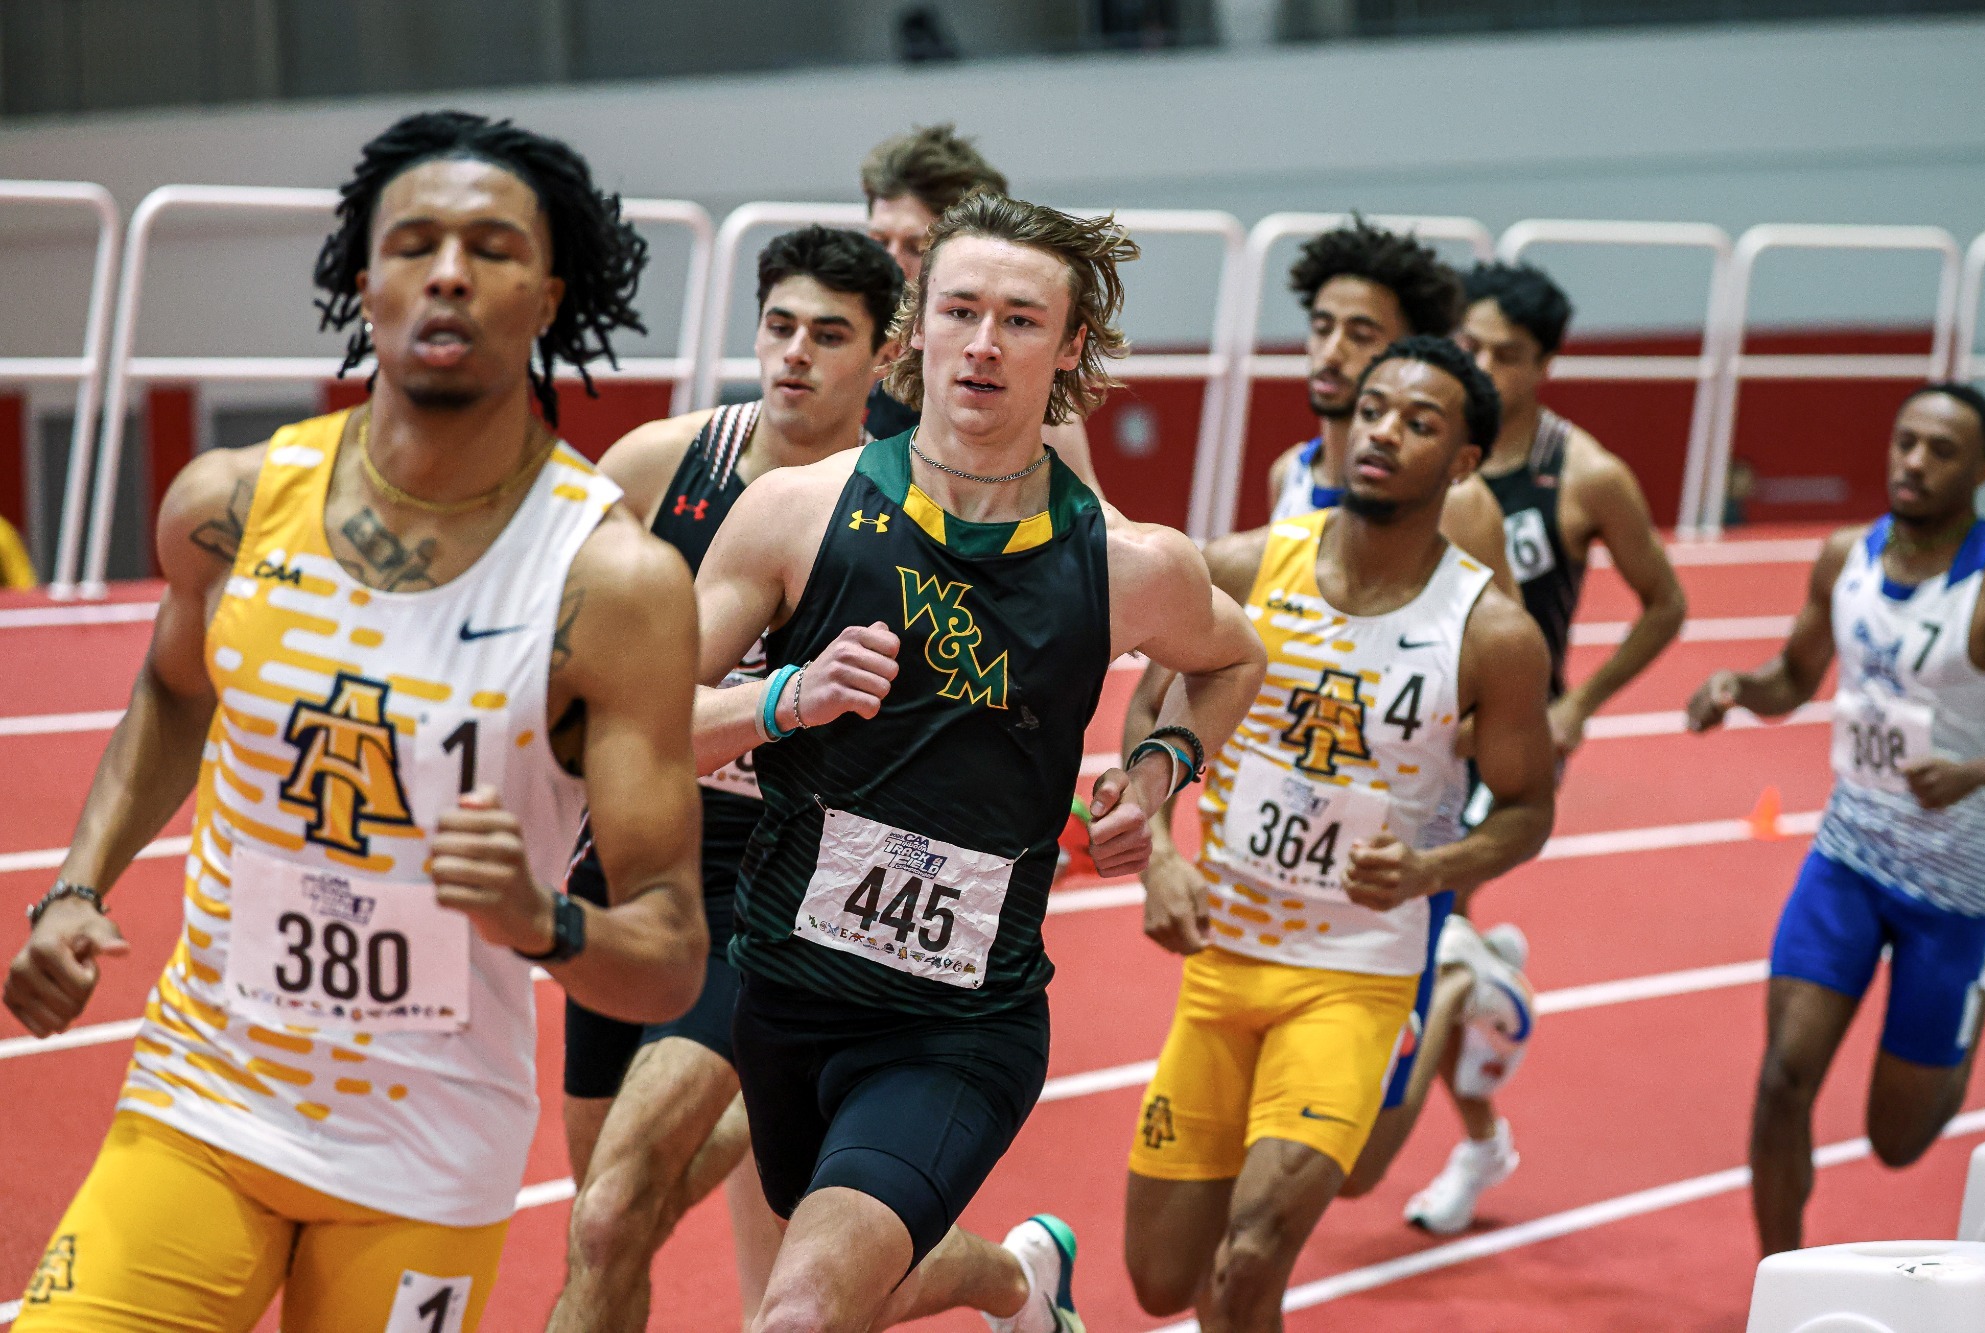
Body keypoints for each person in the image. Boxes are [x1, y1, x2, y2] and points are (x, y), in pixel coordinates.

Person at [3, 111, 710, 1331]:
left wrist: (540, 920)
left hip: (426, 1153)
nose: (448, 271)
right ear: (363, 279)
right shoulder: (229, 506)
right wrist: (76, 886)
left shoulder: (611, 586)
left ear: (546, 297)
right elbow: (178, 686)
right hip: (203, 1094)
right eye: (415, 243)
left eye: (490, 247)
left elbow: (671, 952)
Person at [687, 192, 1266, 1333]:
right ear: (914, 330)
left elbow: (1232, 659)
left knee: (797, 1309)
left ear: (1070, 349)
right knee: (859, 1282)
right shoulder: (794, 514)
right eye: (959, 310)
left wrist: (1151, 776)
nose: (985, 344)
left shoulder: (1128, 563)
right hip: (786, 994)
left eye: (1019, 318)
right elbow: (642, 716)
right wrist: (783, 698)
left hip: (961, 1022)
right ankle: (1014, 1281)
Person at [1121, 335, 1556, 1329]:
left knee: (1247, 1261)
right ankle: (1464, 981)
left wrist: (1430, 869)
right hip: (1221, 963)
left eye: (1418, 422)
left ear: (1460, 463)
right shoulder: (1238, 567)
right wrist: (1157, 855)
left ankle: (1440, 975)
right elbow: (1148, 712)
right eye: (1371, 411)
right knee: (1159, 1281)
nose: (1381, 433)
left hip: (1353, 976)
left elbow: (1530, 807)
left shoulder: (1488, 633)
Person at [548, 225, 903, 1332]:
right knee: (604, 1217)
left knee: (610, 1215)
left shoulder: (900, 502)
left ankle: (769, 1066)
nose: (795, 353)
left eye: (829, 335)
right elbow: (548, 650)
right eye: (779, 326)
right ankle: (1005, 1272)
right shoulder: (662, 464)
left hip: (772, 878)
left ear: (882, 360)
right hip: (631, 852)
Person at [1386, 261, 1688, 1235]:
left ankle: (1472, 1105)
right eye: (1467, 346)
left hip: (1502, 740)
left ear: (1543, 365)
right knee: (1411, 935)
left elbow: (1666, 603)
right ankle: (1483, 982)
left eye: (1503, 357)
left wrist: (1578, 703)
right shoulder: (1427, 449)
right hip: (1412, 722)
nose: (1479, 366)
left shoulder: (1585, 474)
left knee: (1414, 927)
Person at [1688, 383, 1985, 1256]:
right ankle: (1778, 1283)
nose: (1915, 462)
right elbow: (1795, 674)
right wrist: (1739, 689)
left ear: (1981, 469)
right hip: (1850, 860)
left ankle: (1978, 990)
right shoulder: (1842, 557)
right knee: (1782, 1079)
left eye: (1941, 450)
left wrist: (1976, 772)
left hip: (1963, 892)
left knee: (1897, 1143)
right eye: (1906, 442)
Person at [1264, 218, 1518, 602]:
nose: (1332, 353)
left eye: (1361, 336)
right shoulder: (1288, 474)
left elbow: (1509, 648)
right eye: (1321, 327)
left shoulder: (1457, 503)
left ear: (1406, 350)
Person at [861, 123, 1102, 494]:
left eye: (915, 247)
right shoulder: (840, 345)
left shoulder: (1024, 390)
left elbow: (1090, 522)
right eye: (878, 243)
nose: (887, 266)